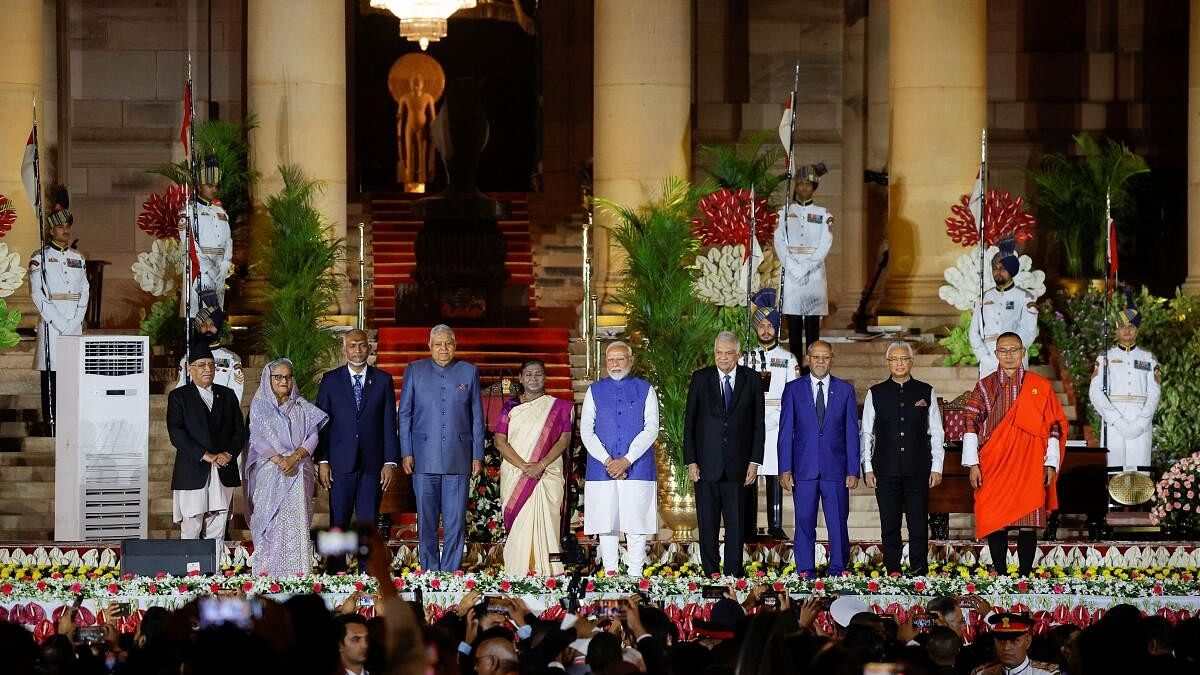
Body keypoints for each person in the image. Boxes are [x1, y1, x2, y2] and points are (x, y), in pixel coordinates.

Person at [962, 332, 1067, 577]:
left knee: (1028, 522)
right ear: (996, 354)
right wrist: (972, 464)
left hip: (1029, 463)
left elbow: (1054, 426)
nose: (1009, 355)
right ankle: (1000, 574)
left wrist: (1050, 464)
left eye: (1014, 350)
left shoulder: (1039, 386)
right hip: (993, 462)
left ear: (1023, 353)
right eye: (1003, 351)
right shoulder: (984, 386)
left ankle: (1024, 575)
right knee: (995, 518)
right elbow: (970, 423)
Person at [398, 324, 484, 572]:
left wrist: (477, 454)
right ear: (430, 346)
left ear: (455, 345)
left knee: (456, 521)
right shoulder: (415, 370)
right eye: (438, 344)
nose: (443, 348)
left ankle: (450, 572)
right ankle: (430, 571)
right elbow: (404, 414)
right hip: (423, 458)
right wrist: (406, 451)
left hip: (459, 458)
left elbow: (477, 416)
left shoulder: (469, 372)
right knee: (426, 521)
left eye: (448, 343)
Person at [861, 341, 946, 575]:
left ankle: (919, 569)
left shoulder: (925, 391)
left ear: (911, 362)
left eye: (904, 359)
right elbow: (867, 432)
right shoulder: (875, 393)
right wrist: (867, 467)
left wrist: (937, 466)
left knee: (918, 524)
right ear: (888, 363)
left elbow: (936, 432)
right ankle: (893, 569)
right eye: (894, 359)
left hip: (918, 469)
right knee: (890, 524)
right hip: (884, 470)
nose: (899, 363)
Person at [684, 331, 765, 577]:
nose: (723, 358)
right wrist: (691, 460)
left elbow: (758, 424)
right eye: (719, 352)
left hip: (738, 467)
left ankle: (732, 574)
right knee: (707, 526)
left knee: (735, 526)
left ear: (738, 354)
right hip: (706, 466)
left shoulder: (751, 379)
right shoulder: (700, 379)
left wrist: (754, 460)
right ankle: (711, 574)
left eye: (728, 353)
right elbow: (690, 423)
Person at [779, 339, 860, 578]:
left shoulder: (845, 390)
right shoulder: (793, 390)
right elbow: (785, 433)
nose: (821, 361)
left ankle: (837, 569)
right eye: (816, 357)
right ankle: (805, 571)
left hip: (836, 469)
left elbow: (851, 434)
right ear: (808, 359)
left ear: (832, 359)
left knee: (837, 524)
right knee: (804, 523)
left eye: (825, 357)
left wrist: (853, 469)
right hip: (803, 470)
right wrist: (785, 468)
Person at [580, 341, 660, 577]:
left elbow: (651, 428)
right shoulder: (594, 390)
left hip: (638, 466)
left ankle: (635, 575)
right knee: (607, 523)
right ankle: (611, 573)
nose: (615, 364)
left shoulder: (646, 389)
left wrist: (626, 460)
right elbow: (586, 430)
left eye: (620, 359)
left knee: (636, 524)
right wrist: (608, 460)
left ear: (631, 360)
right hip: (600, 468)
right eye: (611, 359)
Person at [245, 358, 329, 576]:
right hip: (270, 471)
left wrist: (294, 458)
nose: (284, 381)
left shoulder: (303, 407)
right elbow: (257, 438)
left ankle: (297, 574)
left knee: (295, 524)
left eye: (288, 377)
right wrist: (279, 460)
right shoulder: (260, 406)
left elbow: (313, 436)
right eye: (279, 377)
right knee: (269, 523)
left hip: (298, 472)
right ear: (269, 379)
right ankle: (268, 576)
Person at [167, 338, 246, 558]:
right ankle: (189, 574)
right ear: (190, 370)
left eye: (211, 365)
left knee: (217, 527)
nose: (208, 369)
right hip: (193, 470)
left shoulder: (227, 395)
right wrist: (205, 455)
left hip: (223, 469)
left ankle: (214, 573)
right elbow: (176, 433)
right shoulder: (179, 397)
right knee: (191, 526)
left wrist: (228, 453)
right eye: (201, 365)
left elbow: (239, 431)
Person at [494, 358, 573, 576]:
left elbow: (564, 440)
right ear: (520, 378)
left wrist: (541, 464)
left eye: (538, 374)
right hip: (516, 474)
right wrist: (524, 466)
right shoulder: (510, 406)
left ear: (545, 377)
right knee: (519, 523)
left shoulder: (559, 407)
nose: (533, 378)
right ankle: (517, 574)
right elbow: (500, 441)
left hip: (547, 473)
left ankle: (549, 573)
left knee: (548, 522)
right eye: (528, 374)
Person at [315, 329, 400, 531]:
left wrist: (389, 461)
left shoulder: (383, 380)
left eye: (362, 345)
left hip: (373, 465)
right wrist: (323, 460)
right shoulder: (330, 380)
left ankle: (366, 565)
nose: (357, 350)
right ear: (344, 350)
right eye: (352, 346)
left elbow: (389, 422)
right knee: (338, 522)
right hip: (339, 464)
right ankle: (337, 564)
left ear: (369, 348)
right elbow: (321, 424)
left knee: (368, 523)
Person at [741, 288, 799, 540]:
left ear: (777, 328)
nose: (765, 330)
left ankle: (775, 524)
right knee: (750, 476)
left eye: (770, 325)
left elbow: (794, 393)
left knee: (775, 474)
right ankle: (748, 525)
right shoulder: (746, 359)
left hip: (777, 423)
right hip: (752, 423)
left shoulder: (788, 358)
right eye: (761, 325)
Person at [29, 190, 88, 433]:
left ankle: (70, 422)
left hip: (74, 323)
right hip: (52, 325)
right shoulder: (39, 258)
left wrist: (75, 322)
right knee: (52, 375)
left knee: (71, 375)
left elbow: (84, 291)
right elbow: (37, 295)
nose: (66, 230)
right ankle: (51, 422)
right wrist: (61, 323)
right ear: (51, 230)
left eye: (68, 226)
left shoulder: (78, 258)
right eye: (61, 226)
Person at [1088, 299, 1159, 489]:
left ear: (1138, 330)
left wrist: (1142, 421)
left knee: (1139, 470)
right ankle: (1113, 511)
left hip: (1140, 422)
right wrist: (1116, 420)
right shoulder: (1105, 358)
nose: (1127, 330)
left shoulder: (1148, 358)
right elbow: (1095, 392)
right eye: (1122, 327)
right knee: (1114, 469)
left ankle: (1139, 510)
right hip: (1114, 423)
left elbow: (1154, 392)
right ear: (1116, 330)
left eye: (1131, 327)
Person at [774, 163, 833, 361]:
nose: (804, 188)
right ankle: (796, 366)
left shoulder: (824, 214)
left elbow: (825, 243)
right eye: (800, 184)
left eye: (808, 184)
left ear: (814, 187)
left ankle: (815, 364)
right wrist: (792, 268)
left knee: (812, 328)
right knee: (794, 326)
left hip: (814, 273)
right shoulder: (783, 212)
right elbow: (779, 241)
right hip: (791, 274)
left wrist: (806, 266)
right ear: (796, 186)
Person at [969, 237, 1038, 379]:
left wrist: (1011, 355)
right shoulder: (984, 297)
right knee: (989, 400)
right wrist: (984, 357)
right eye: (994, 268)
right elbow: (974, 332)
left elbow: (1028, 332)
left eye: (1002, 268)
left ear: (1011, 270)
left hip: (1015, 359)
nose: (997, 272)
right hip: (988, 358)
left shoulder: (1025, 297)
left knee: (1016, 399)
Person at [179, 156, 233, 317]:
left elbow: (228, 241)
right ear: (200, 186)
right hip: (200, 268)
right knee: (200, 313)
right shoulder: (187, 212)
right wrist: (207, 267)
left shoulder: (221, 212)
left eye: (216, 186)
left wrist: (225, 263)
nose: (214, 190)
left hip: (219, 267)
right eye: (210, 186)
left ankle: (214, 340)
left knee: (216, 314)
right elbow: (189, 243)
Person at [176, 313, 244, 403]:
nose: (208, 329)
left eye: (212, 325)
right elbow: (180, 387)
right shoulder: (187, 359)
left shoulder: (232, 358)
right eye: (204, 325)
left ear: (218, 327)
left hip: (221, 412)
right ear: (199, 328)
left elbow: (236, 392)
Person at [971, 613, 1060, 675]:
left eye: (1014, 641)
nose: (1006, 648)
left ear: (1028, 641)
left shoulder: (1047, 673)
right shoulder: (982, 673)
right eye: (1001, 641)